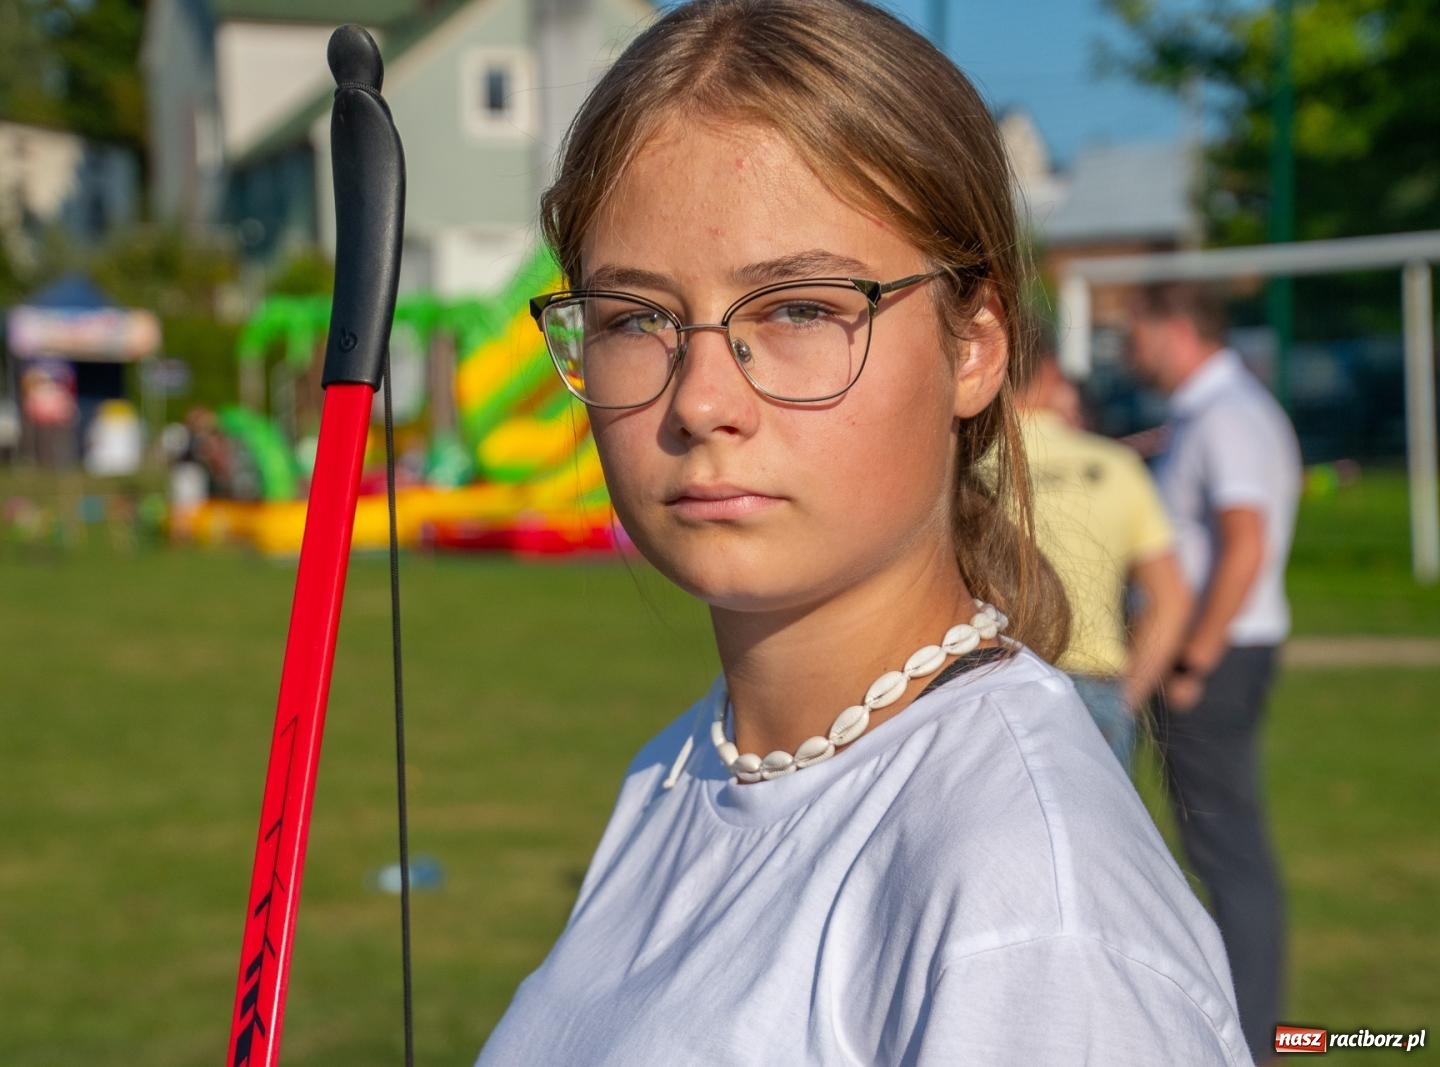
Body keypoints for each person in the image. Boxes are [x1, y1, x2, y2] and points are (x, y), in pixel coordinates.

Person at [477, 2, 1250, 1062]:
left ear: (973, 346)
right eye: (636, 317)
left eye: (798, 308)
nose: (702, 400)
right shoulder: (684, 767)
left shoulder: (1028, 907)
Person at [1128, 282, 1302, 1063]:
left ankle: (1259, 1040)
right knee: (1218, 848)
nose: (1129, 350)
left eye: (1135, 332)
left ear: (1174, 329)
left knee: (1228, 850)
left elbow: (1245, 543)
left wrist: (1192, 655)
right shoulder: (1211, 411)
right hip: (1219, 650)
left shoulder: (1228, 415)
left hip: (1216, 656)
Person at [1015, 350, 1192, 773]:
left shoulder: (961, 468)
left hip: (999, 686)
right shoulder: (1116, 466)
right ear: (1053, 375)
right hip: (1098, 688)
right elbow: (1171, 600)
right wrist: (1126, 697)